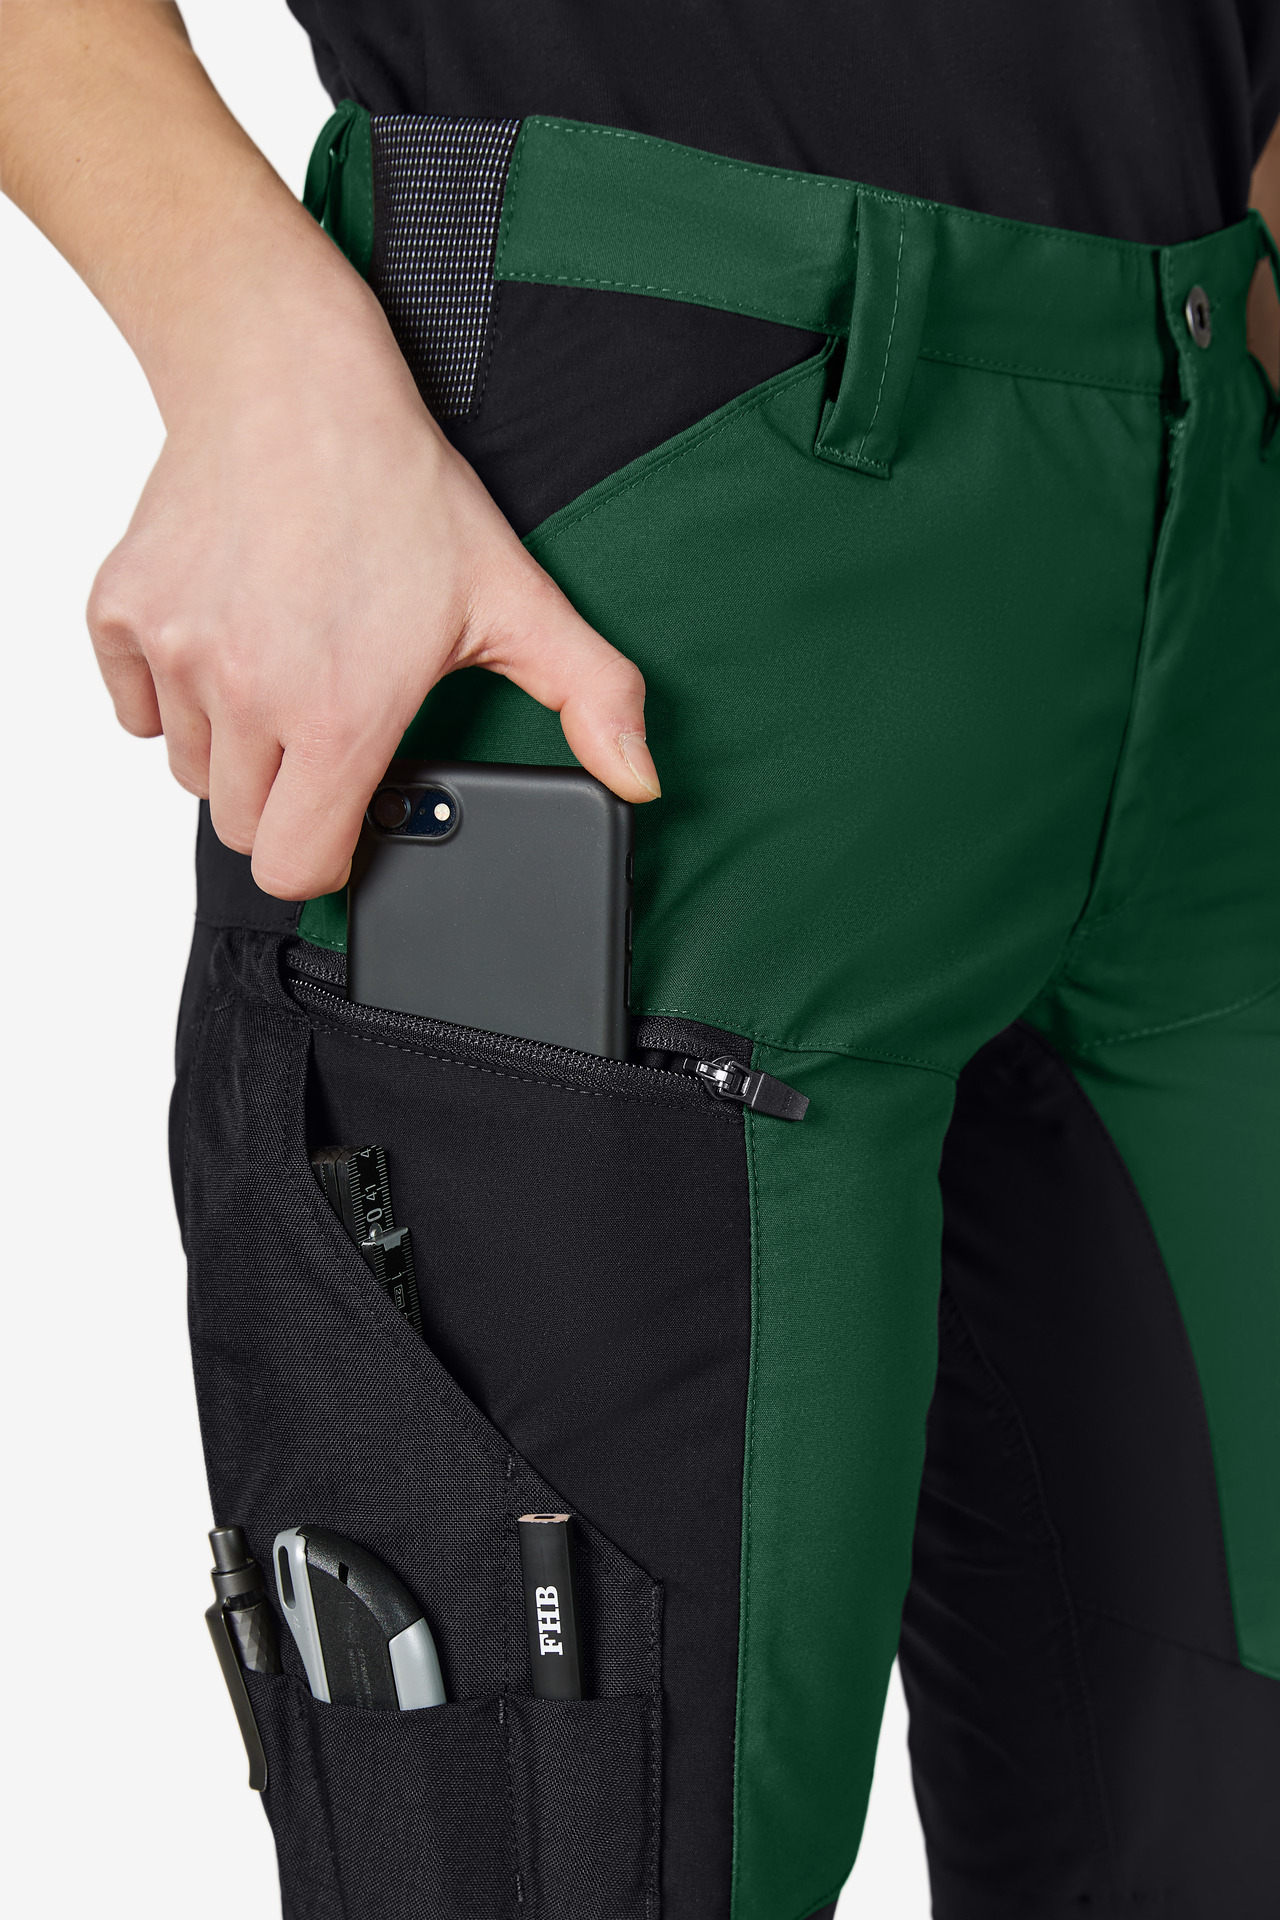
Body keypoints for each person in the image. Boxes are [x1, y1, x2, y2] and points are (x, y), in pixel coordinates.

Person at [2, 4, 1278, 1917]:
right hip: (640, 505)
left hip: (1217, 500)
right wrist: (252, 350)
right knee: (580, 1840)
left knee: (1226, 1810)